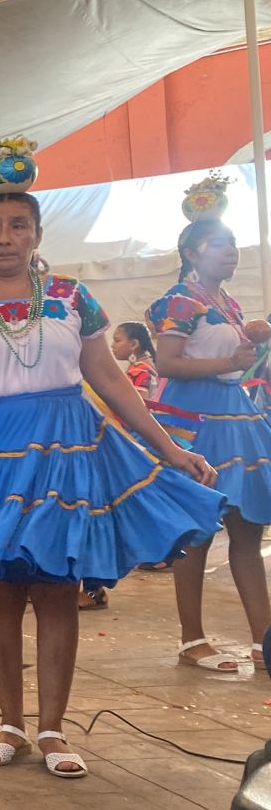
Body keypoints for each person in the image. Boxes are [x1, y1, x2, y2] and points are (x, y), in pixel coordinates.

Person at [0, 190, 223, 779]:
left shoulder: (70, 297)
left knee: (58, 588)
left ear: (35, 234)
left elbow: (108, 377)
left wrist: (169, 448)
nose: (5, 237)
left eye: (17, 226)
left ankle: (53, 728)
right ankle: (10, 724)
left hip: (64, 449)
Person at [149, 217, 271, 673]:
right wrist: (230, 359)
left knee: (247, 527)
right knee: (197, 529)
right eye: (219, 243)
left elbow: (235, 367)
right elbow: (167, 363)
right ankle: (191, 639)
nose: (231, 250)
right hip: (194, 417)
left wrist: (243, 363)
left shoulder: (231, 304)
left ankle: (265, 640)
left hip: (236, 414)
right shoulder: (178, 301)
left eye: (234, 242)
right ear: (192, 252)